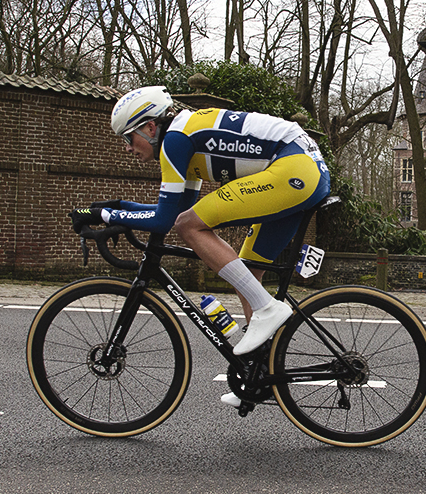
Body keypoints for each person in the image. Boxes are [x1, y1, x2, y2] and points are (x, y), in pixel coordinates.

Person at [71, 85, 330, 388]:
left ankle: (267, 308)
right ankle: (261, 375)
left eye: (128, 138)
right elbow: (178, 206)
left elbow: (168, 221)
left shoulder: (174, 142)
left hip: (294, 168)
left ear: (150, 127)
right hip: (303, 168)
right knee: (248, 269)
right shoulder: (185, 136)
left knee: (188, 226)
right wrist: (119, 208)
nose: (126, 148)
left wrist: (106, 217)